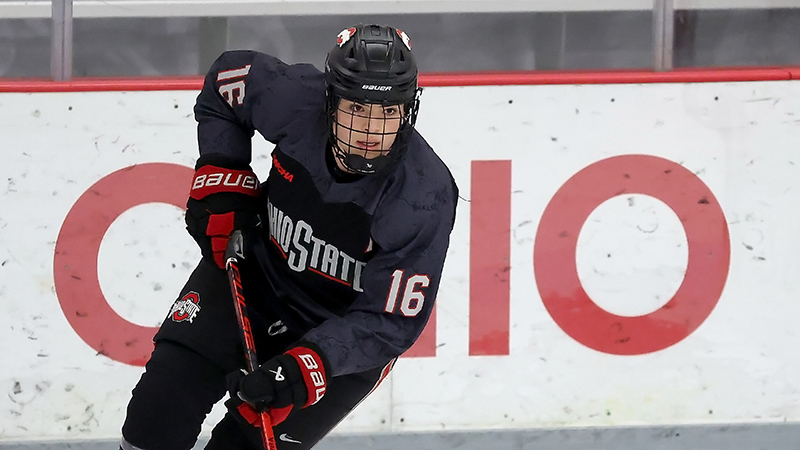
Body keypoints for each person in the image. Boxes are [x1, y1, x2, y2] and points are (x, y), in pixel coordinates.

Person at [119, 23, 458, 450]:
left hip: (334, 336)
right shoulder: (294, 97)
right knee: (158, 412)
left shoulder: (423, 195)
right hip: (252, 273)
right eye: (357, 109)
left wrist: (308, 366)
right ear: (330, 100)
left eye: (388, 112)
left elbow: (389, 322)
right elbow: (226, 84)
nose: (371, 131)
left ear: (409, 109)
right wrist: (222, 173)